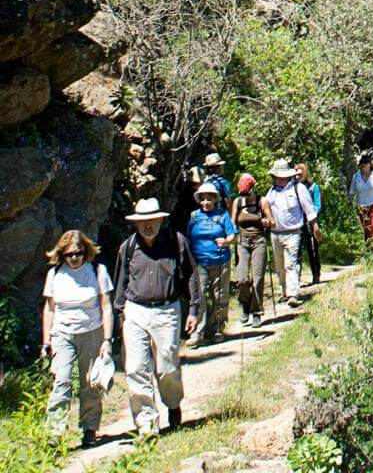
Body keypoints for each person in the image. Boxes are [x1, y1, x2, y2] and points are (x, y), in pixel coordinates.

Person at [113, 198, 200, 437]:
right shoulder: (128, 247)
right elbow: (121, 282)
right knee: (136, 368)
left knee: (166, 367)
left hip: (167, 310)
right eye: (142, 221)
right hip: (135, 310)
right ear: (136, 224)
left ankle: (172, 404)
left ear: (160, 220)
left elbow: (191, 275)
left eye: (151, 220)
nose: (147, 225)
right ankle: (147, 424)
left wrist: (193, 309)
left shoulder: (176, 241)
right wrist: (119, 314)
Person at [41, 230, 114, 447]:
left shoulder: (98, 271)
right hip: (62, 333)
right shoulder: (55, 274)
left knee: (89, 382)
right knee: (61, 380)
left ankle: (90, 429)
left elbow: (106, 306)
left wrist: (107, 340)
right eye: (69, 254)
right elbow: (49, 309)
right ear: (62, 254)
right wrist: (46, 341)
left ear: (86, 252)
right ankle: (54, 433)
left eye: (78, 253)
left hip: (91, 331)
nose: (74, 258)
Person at [263, 160, 320, 309]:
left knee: (291, 263)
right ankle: (284, 291)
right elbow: (266, 207)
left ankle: (293, 294)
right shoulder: (271, 191)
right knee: (279, 265)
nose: (279, 179)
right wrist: (266, 220)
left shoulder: (298, 188)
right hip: (275, 234)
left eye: (281, 176)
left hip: (293, 233)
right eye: (277, 176)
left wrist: (315, 227)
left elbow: (309, 209)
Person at [186, 182, 236, 345]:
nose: (206, 202)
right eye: (203, 199)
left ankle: (217, 329)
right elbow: (188, 238)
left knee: (220, 296)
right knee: (199, 296)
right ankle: (197, 333)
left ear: (215, 199)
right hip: (199, 263)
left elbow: (232, 235)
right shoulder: (194, 217)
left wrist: (226, 242)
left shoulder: (222, 215)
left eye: (209, 199)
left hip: (220, 261)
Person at [230, 174, 272, 327]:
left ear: (253, 189)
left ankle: (256, 312)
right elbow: (232, 223)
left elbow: (272, 222)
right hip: (242, 242)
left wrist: (266, 222)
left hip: (258, 241)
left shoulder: (262, 201)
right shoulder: (237, 202)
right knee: (242, 278)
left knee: (258, 278)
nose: (245, 197)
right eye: (243, 193)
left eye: (247, 193)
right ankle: (245, 304)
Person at [348, 154, 373, 248]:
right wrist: (349, 203)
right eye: (362, 164)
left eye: (365, 163)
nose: (363, 166)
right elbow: (352, 191)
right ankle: (368, 249)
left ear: (370, 164)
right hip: (361, 206)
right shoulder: (356, 176)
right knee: (366, 228)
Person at [295, 163, 321, 285]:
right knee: (297, 249)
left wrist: (312, 216)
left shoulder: (313, 187)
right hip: (298, 221)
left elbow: (317, 204)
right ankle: (296, 277)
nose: (298, 177)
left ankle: (316, 274)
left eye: (300, 174)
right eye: (296, 174)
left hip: (310, 220)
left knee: (312, 248)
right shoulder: (293, 188)